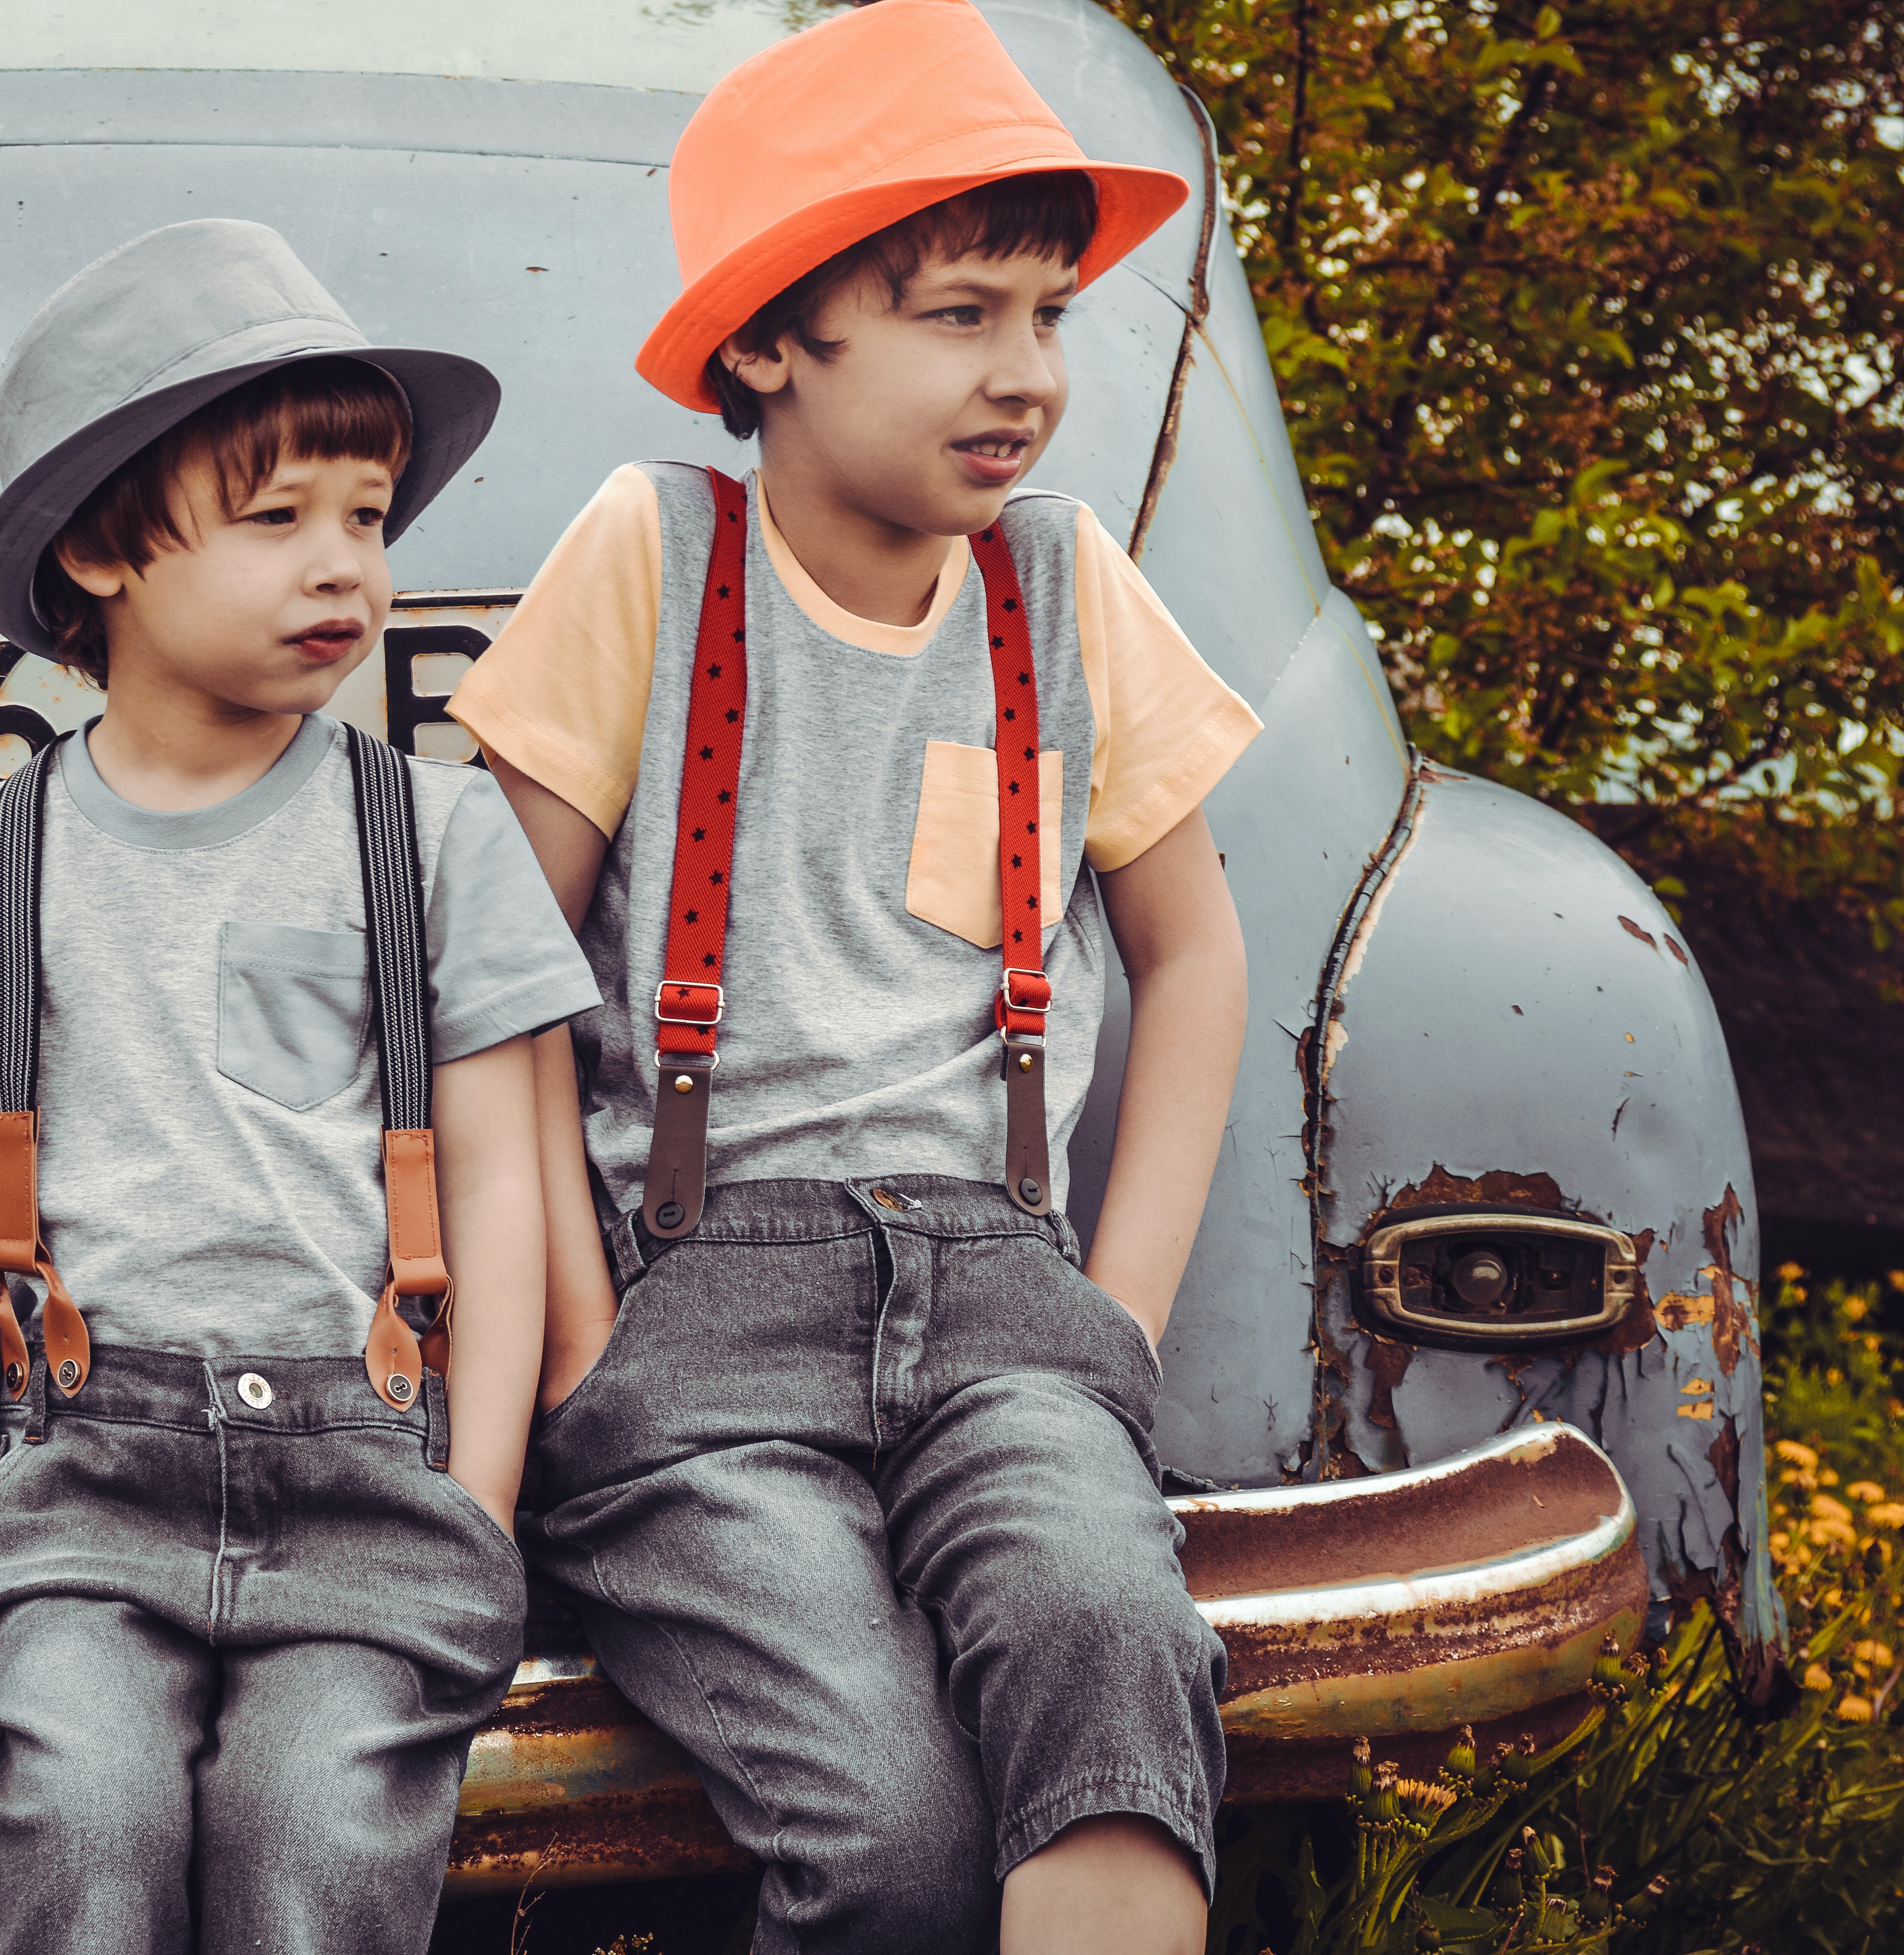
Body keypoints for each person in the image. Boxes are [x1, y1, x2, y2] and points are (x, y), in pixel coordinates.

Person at [447, 5, 1262, 1950]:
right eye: (959, 313)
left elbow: (1196, 954)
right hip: (700, 1322)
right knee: (888, 1828)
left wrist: (1117, 1324)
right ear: (766, 344)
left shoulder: (1065, 590)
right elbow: (485, 979)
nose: (1026, 375)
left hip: (1005, 1304)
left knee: (1111, 1671)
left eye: (1049, 316)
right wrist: (580, 1342)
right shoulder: (653, 554)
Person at [0, 218, 596, 1955]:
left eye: (368, 519)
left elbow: (495, 1185)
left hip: (368, 1478)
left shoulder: (434, 834)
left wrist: (475, 1498)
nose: (347, 568)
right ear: (104, 549)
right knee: (81, 1817)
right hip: (79, 1489)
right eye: (278, 520)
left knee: (319, 1831)